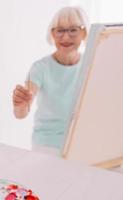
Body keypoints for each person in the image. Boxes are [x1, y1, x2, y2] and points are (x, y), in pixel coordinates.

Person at [12, 6, 89, 154]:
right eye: (60, 30)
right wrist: (20, 104)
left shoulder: (91, 62)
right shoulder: (40, 67)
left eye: (73, 30)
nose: (66, 37)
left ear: (84, 33)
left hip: (81, 140)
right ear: (52, 34)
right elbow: (21, 113)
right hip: (48, 143)